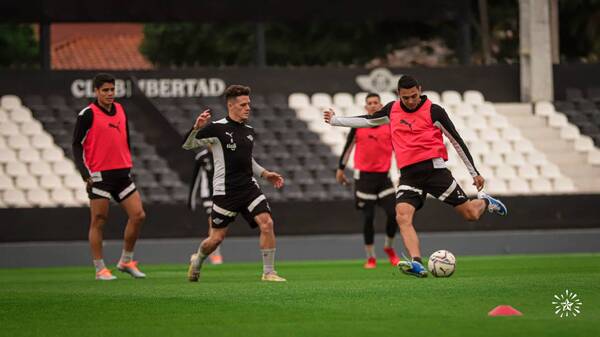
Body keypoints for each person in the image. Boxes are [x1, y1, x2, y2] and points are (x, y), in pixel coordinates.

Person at [324, 75, 507, 278]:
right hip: (409, 176)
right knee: (402, 215)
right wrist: (334, 120)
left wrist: (474, 172)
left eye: (414, 96)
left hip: (435, 172)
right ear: (398, 95)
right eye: (406, 97)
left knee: (470, 215)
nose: (410, 101)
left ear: (420, 90)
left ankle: (484, 202)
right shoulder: (392, 110)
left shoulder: (434, 111)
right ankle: (417, 263)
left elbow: (456, 140)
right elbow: (367, 121)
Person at [182, 84, 286, 282]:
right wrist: (197, 128)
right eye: (243, 104)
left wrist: (265, 174)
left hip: (248, 187)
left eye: (249, 104)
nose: (248, 108)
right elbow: (188, 145)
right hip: (225, 192)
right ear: (231, 105)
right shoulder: (217, 128)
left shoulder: (248, 130)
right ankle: (198, 260)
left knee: (267, 223)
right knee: (216, 239)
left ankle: (269, 272)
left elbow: (248, 160)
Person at [72, 73, 146, 281]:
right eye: (105, 90)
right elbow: (76, 145)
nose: (110, 94)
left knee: (138, 215)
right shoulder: (87, 114)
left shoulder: (121, 110)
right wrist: (85, 175)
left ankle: (126, 261)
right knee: (99, 220)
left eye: (112, 90)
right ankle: (100, 269)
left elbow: (125, 139)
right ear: (96, 91)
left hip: (122, 173)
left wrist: (128, 161)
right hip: (100, 176)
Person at [336, 93, 400, 269]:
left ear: (381, 106)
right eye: (369, 103)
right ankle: (371, 257)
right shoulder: (358, 126)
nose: (372, 105)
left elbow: (399, 150)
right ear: (366, 107)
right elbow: (348, 148)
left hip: (384, 178)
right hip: (364, 179)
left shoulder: (389, 125)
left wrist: (402, 172)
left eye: (375, 103)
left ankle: (388, 247)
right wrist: (340, 169)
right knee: (368, 218)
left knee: (394, 214)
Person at [188, 146, 223, 264]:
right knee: (213, 221)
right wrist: (191, 200)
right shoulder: (202, 157)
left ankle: (200, 254)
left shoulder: (223, 154)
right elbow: (195, 179)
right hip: (208, 194)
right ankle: (215, 255)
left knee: (219, 225)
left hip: (222, 194)